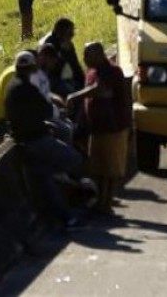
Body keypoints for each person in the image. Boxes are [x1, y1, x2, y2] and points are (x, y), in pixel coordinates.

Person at [5, 51, 90, 229]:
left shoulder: (12, 86)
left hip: (24, 140)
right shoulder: (28, 88)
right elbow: (45, 110)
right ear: (32, 68)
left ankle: (66, 218)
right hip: (36, 140)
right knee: (74, 159)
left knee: (46, 182)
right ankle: (62, 179)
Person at [67, 42, 131, 215]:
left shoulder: (112, 71)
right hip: (97, 128)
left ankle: (106, 203)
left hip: (113, 127)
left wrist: (74, 96)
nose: (84, 59)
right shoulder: (92, 71)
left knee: (110, 169)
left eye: (88, 55)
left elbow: (101, 90)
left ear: (99, 54)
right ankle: (100, 202)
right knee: (99, 168)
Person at [40, 17, 85, 96]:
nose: (72, 35)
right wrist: (65, 52)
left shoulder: (66, 43)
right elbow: (49, 69)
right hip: (49, 80)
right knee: (72, 89)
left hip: (61, 76)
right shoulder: (49, 45)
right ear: (60, 33)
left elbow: (75, 65)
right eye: (70, 33)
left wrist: (83, 80)